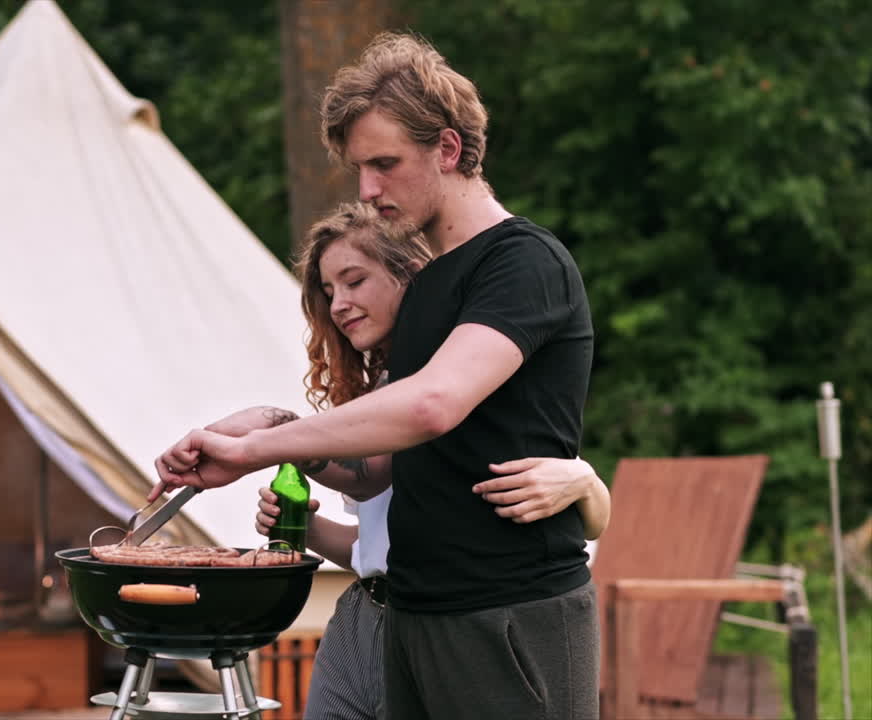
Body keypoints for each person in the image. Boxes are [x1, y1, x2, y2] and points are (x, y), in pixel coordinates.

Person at [152, 31, 600, 720]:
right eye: (360, 168)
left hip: (510, 614)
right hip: (417, 617)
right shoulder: (426, 291)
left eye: (385, 164)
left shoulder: (523, 263)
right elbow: (379, 471)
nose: (367, 189)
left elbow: (432, 406)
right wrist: (270, 429)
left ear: (448, 149)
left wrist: (253, 450)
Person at [248, 202, 609, 720]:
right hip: (364, 616)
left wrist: (586, 479)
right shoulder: (375, 396)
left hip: (456, 621)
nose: (339, 305)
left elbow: (572, 513)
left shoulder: (464, 378)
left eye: (354, 281)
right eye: (328, 293)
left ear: (412, 277)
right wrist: (304, 528)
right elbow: (378, 546)